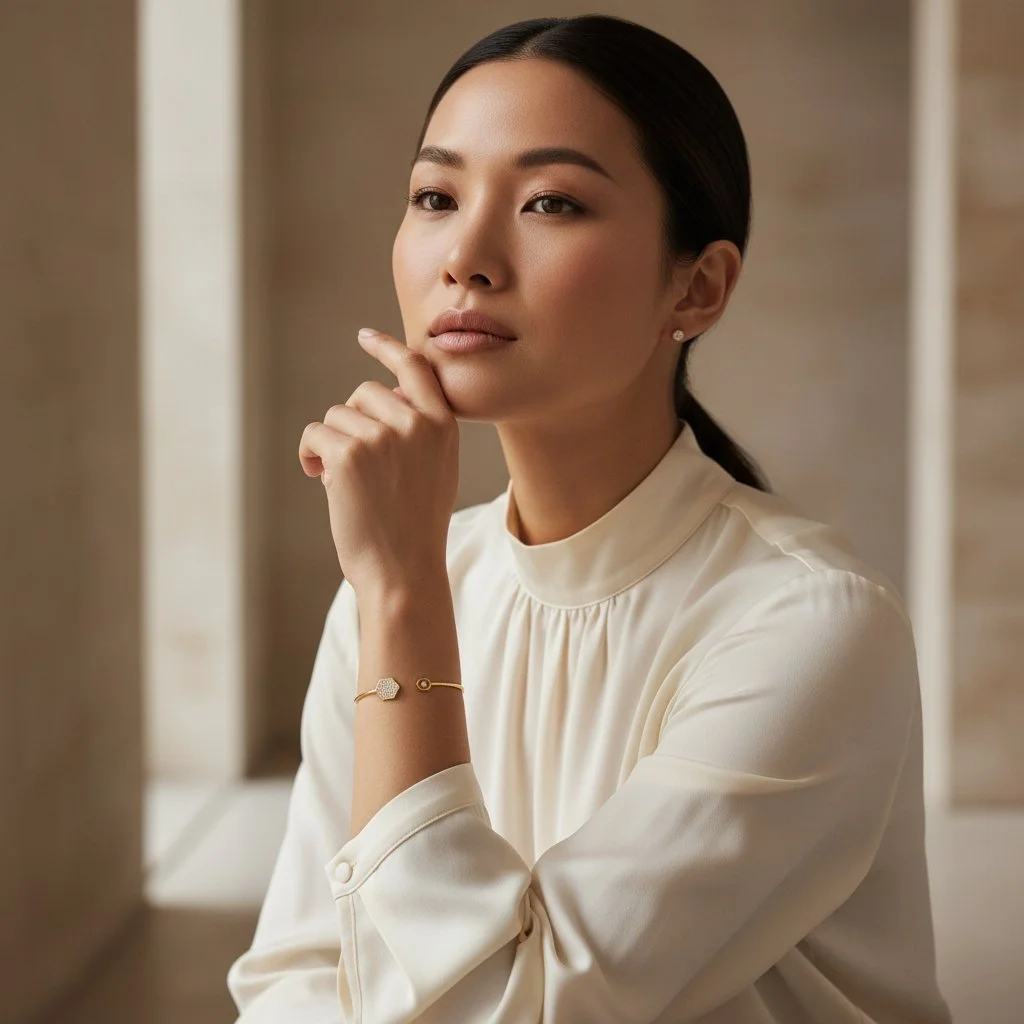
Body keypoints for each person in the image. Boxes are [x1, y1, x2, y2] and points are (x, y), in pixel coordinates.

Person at [227, 14, 952, 1023]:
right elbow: (300, 974)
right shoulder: (405, 583)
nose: (467, 256)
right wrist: (396, 593)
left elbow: (508, 1007)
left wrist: (399, 600)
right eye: (436, 195)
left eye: (550, 202)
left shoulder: (809, 624)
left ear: (697, 288)